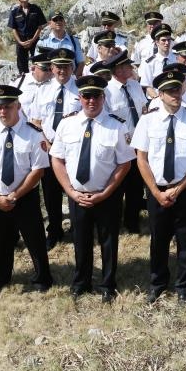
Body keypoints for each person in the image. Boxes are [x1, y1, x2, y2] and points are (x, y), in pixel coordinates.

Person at [50, 75, 134, 303]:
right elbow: (57, 159)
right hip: (77, 195)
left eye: (96, 96)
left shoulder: (117, 126)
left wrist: (106, 192)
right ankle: (81, 282)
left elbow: (125, 163)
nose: (91, 101)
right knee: (80, 240)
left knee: (109, 241)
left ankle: (108, 284)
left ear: (103, 97)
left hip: (106, 195)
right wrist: (70, 191)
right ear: (80, 97)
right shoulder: (66, 124)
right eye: (87, 96)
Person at [131, 69, 186, 303]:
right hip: (157, 189)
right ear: (161, 94)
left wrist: (179, 188)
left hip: (183, 190)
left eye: (178, 89)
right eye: (170, 91)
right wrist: (156, 192)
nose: (176, 94)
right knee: (159, 239)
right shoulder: (148, 120)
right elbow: (141, 158)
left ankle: (184, 286)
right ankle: (157, 283)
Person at [0, 85, 53, 297]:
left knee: (34, 239)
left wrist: (15, 195)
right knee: (0, 242)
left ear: (18, 106)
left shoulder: (33, 134)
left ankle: (42, 278)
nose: (2, 111)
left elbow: (38, 170)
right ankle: (1, 278)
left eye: (7, 106)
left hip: (24, 197)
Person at [28, 49, 82, 250]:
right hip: (49, 147)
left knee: (75, 188)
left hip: (74, 148)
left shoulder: (80, 89)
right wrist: (48, 145)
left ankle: (78, 229)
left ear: (72, 68)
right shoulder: (42, 90)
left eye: (66, 66)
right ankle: (55, 230)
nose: (62, 71)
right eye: (58, 66)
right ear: (51, 68)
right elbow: (36, 121)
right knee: (51, 194)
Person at [104, 50, 148, 234]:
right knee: (117, 186)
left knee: (136, 186)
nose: (131, 68)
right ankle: (114, 221)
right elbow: (106, 120)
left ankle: (132, 221)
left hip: (139, 145)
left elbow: (144, 110)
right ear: (118, 70)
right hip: (120, 147)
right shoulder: (107, 91)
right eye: (127, 66)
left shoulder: (135, 85)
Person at [8, 0, 46, 74]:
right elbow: (14, 29)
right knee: (22, 66)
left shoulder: (36, 9)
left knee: (38, 63)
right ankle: (23, 78)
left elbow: (40, 26)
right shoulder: (14, 12)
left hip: (35, 41)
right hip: (21, 42)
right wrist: (20, 42)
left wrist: (32, 40)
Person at [36, 11, 85, 77]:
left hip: (70, 78)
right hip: (49, 80)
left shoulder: (74, 41)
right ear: (49, 23)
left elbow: (81, 63)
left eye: (60, 19)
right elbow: (38, 64)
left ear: (64, 22)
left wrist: (74, 79)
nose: (58, 22)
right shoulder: (43, 42)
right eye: (55, 20)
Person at [139, 24, 177, 96]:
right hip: (156, 98)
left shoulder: (176, 59)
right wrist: (158, 100)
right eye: (163, 40)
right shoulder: (150, 62)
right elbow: (148, 86)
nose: (167, 43)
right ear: (157, 42)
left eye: (169, 40)